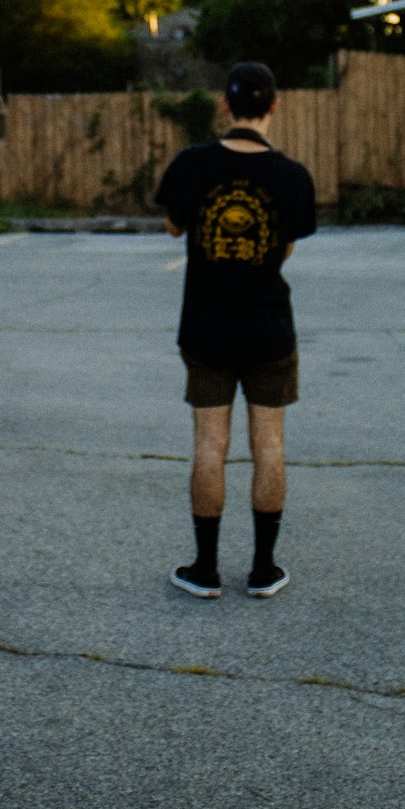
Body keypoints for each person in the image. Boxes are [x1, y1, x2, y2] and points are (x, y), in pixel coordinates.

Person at [154, 61, 317, 599]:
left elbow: (174, 225)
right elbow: (286, 248)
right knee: (268, 445)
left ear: (224, 105)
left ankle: (205, 571)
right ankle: (264, 571)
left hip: (206, 329)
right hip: (269, 330)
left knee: (210, 444)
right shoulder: (293, 177)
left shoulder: (191, 164)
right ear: (274, 104)